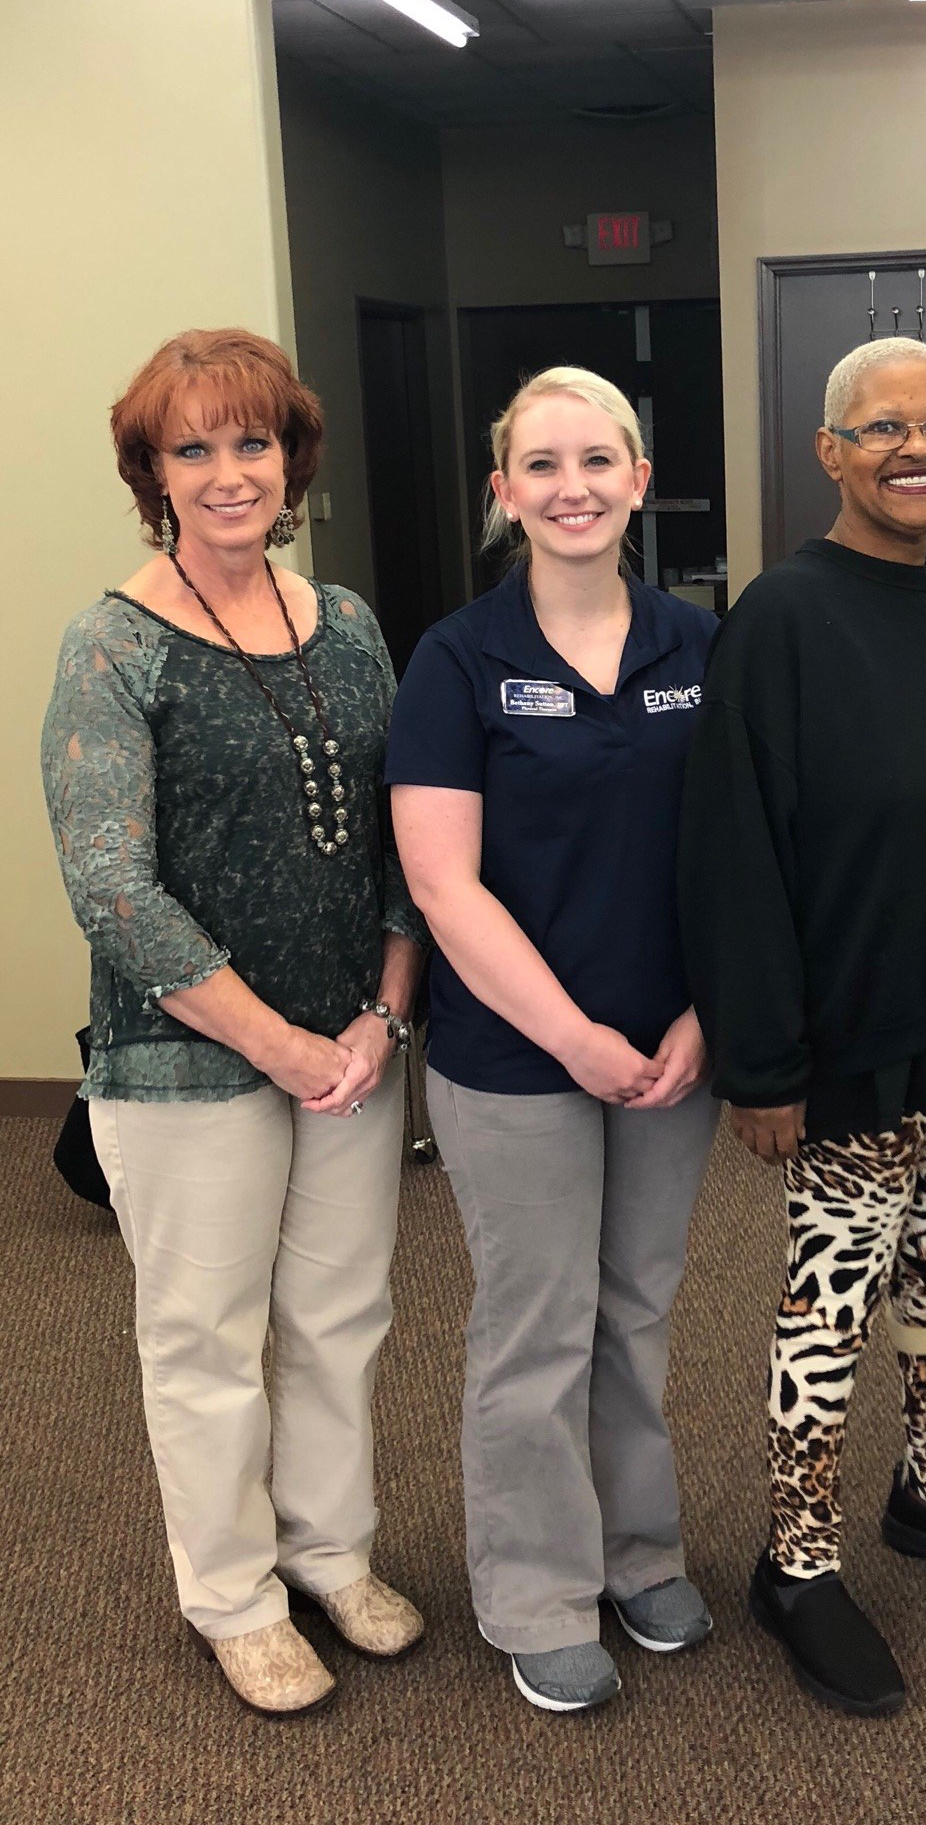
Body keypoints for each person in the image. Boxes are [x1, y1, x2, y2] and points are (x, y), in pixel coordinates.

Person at [679, 336, 926, 1719]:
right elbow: (735, 845)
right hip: (851, 1032)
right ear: (831, 451)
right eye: (885, 426)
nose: (920, 446)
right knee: (832, 1302)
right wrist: (765, 1057)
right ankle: (794, 1563)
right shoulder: (783, 616)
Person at [40, 328, 428, 1718]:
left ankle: (331, 1551)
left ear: (290, 455)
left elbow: (401, 834)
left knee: (341, 1316)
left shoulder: (350, 624)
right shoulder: (112, 642)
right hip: (191, 1062)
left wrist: (384, 1010)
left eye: (249, 441)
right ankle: (235, 1594)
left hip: (356, 1045)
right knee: (205, 1336)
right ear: (151, 472)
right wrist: (282, 1043)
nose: (227, 472)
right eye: (191, 448)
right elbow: (110, 888)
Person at [387, 367, 719, 1715]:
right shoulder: (459, 658)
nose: (572, 486)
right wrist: (576, 1034)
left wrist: (706, 1013)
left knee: (633, 1312)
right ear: (504, 492)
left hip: (672, 1056)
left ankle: (636, 1550)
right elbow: (444, 885)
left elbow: (747, 852)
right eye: (542, 465)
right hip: (515, 1055)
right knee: (536, 1326)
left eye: (599, 459)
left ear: (642, 478)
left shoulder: (701, 645)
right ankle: (534, 1585)